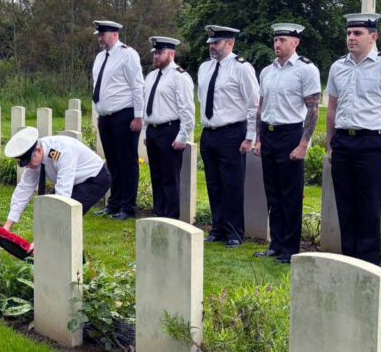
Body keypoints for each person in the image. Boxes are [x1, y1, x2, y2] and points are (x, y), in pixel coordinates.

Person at [326, 12, 381, 265]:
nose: (351, 38)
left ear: (373, 37)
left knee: (369, 206)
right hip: (343, 143)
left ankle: (369, 264)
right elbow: (332, 108)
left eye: (357, 33)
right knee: (345, 205)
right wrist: (329, 143)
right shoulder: (338, 66)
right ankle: (349, 259)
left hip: (371, 144)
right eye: (349, 33)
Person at [253, 23, 321, 264]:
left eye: (282, 40)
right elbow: (261, 107)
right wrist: (258, 138)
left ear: (295, 42)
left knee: (290, 194)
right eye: (275, 40)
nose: (277, 44)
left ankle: (290, 248)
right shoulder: (266, 72)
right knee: (273, 194)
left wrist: (304, 143)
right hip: (270, 135)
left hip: (291, 134)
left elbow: (313, 109)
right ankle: (277, 243)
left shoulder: (305, 70)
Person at [197, 25, 259, 248]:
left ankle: (234, 232)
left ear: (230, 43)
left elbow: (253, 104)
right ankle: (218, 228)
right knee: (213, 183)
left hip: (232, 132)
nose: (212, 47)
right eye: (211, 43)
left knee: (232, 185)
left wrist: (250, 136)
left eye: (217, 43)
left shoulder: (242, 68)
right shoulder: (205, 67)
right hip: (210, 132)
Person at [2, 127, 111, 231]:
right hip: (73, 180)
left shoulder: (60, 152)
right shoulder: (36, 154)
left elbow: (63, 195)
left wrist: (46, 236)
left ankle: (70, 249)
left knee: (68, 215)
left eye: (28, 162)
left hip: (94, 179)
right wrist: (7, 226)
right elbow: (24, 189)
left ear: (39, 150)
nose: (27, 166)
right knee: (49, 209)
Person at [91, 20, 145, 221]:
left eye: (102, 34)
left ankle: (128, 207)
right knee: (113, 162)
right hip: (106, 118)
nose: (99, 38)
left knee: (127, 162)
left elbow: (137, 86)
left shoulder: (128, 54)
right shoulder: (100, 57)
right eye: (99, 34)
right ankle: (113, 203)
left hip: (124, 114)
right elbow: (99, 85)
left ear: (114, 34)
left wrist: (138, 116)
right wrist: (99, 113)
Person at [142, 36, 195, 219]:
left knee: (170, 178)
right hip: (153, 130)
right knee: (156, 176)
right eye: (155, 52)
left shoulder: (179, 76)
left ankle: (171, 217)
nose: (156, 56)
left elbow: (187, 108)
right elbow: (146, 106)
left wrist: (183, 136)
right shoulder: (151, 76)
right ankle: (159, 213)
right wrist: (146, 130)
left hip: (170, 130)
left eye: (160, 52)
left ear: (171, 54)